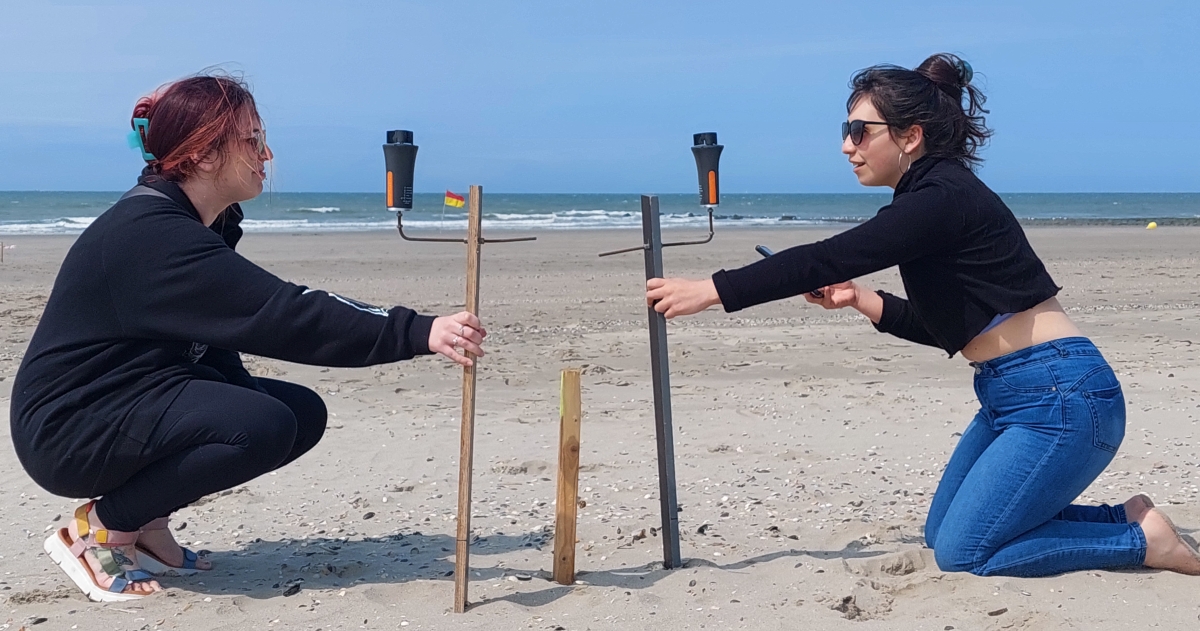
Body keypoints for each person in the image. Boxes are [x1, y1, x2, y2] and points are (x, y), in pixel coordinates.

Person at [645, 53, 1200, 578]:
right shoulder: (931, 200)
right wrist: (861, 299)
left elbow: (826, 256)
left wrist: (712, 290)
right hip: (1018, 392)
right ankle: (1125, 517)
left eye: (860, 131)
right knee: (942, 534)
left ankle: (1142, 542)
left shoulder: (940, 197)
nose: (847, 145)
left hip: (1060, 397)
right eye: (845, 130)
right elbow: (952, 331)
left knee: (965, 552)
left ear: (910, 136)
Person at [11, 74, 486, 601]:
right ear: (203, 155)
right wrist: (417, 330)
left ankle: (145, 525)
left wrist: (242, 391)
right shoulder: (152, 233)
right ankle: (98, 529)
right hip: (70, 427)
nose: (267, 154)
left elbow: (212, 333)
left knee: (297, 414)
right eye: (253, 140)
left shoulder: (200, 221)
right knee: (262, 425)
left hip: (128, 397)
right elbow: (281, 313)